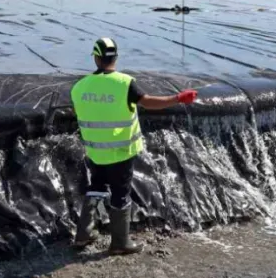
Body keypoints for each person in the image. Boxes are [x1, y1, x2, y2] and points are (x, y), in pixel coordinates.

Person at [70, 37, 197, 254]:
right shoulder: (124, 83)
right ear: (115, 57)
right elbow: (148, 102)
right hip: (120, 151)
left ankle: (84, 234)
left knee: (97, 186)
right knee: (120, 192)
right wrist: (178, 98)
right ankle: (120, 243)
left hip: (95, 150)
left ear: (96, 58)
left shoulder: (79, 86)